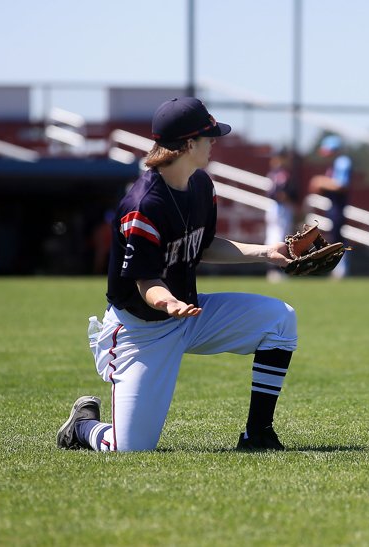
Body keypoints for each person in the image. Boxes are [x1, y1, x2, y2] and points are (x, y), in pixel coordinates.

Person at [57, 97, 298, 452]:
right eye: (208, 137)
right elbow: (146, 282)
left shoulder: (201, 185)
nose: (214, 142)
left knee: (280, 321)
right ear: (188, 144)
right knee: (130, 448)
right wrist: (169, 303)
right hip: (142, 330)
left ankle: (257, 433)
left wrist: (266, 252)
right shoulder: (143, 204)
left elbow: (205, 244)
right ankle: (83, 427)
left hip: (189, 315)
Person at [308, 135, 352, 278]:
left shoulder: (342, 162)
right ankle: (338, 268)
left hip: (338, 205)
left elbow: (341, 184)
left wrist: (320, 181)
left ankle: (341, 268)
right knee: (334, 235)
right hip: (333, 204)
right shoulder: (334, 164)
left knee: (337, 236)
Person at [264, 147, 297, 282]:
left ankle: (273, 269)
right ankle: (276, 269)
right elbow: (281, 194)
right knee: (278, 238)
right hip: (280, 207)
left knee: (274, 236)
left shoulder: (274, 173)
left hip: (276, 207)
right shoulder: (281, 174)